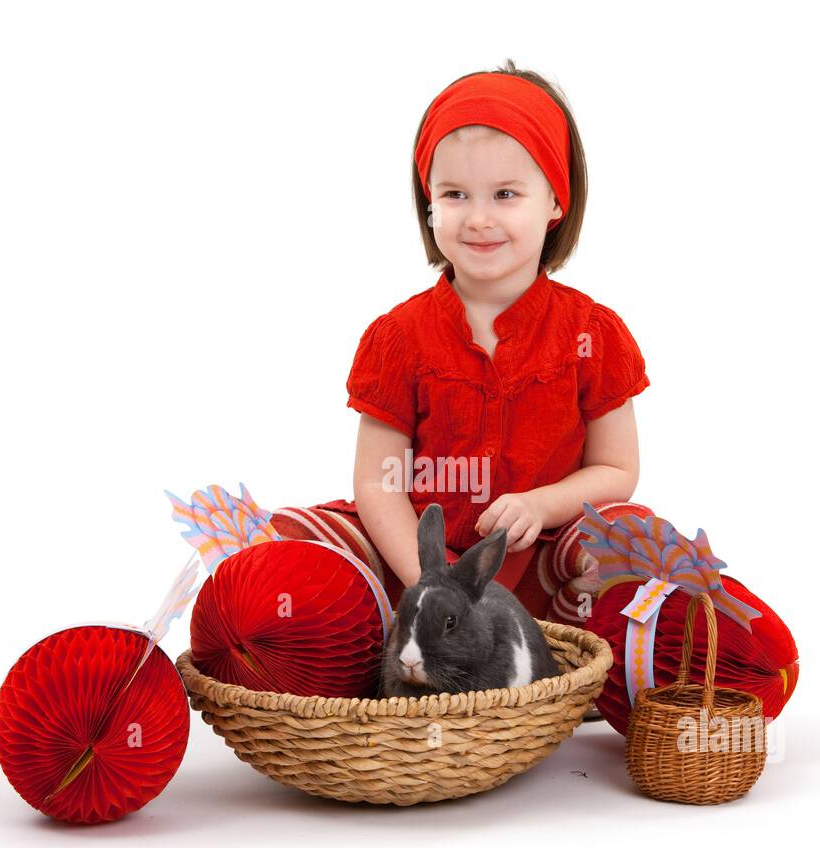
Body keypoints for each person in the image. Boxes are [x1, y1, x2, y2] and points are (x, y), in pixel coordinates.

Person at [273, 59, 655, 635]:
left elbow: (616, 467)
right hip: (416, 561)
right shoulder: (398, 337)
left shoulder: (593, 334)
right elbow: (380, 482)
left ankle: (565, 644)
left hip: (544, 561)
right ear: (429, 204)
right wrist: (431, 581)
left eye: (505, 193)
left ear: (555, 201)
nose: (478, 219)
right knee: (284, 537)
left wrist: (540, 505)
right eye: (454, 194)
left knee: (630, 533)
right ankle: (376, 632)